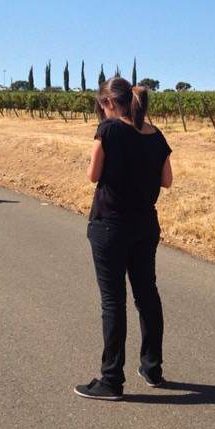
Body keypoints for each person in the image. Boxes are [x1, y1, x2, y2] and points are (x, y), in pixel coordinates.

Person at [74, 78, 173, 401]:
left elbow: (92, 175)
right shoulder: (156, 135)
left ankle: (111, 378)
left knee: (113, 301)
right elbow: (167, 180)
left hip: (110, 225)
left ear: (109, 104)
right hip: (145, 225)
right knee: (147, 295)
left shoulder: (109, 131)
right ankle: (152, 367)